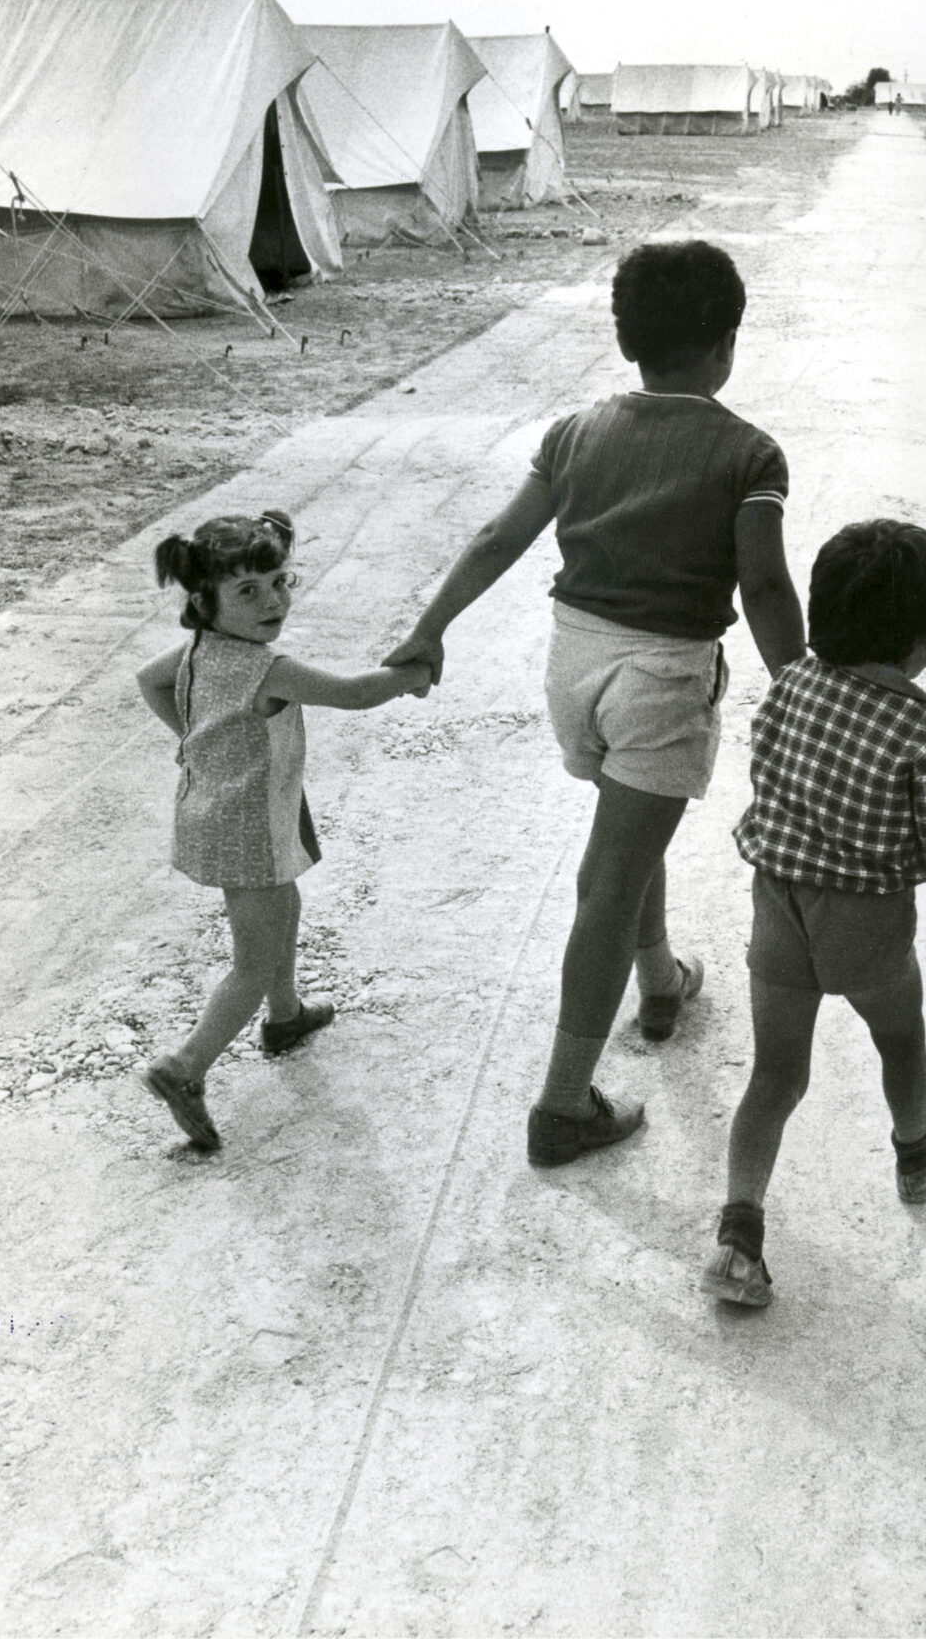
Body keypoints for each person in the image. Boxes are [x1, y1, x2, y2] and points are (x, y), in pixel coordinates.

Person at [385, 241, 806, 1167]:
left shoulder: (574, 433)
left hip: (572, 663)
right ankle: (563, 1103)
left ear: (628, 342)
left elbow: (501, 536)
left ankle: (660, 982)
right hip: (661, 675)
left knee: (627, 833)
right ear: (725, 344)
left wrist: (431, 628)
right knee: (607, 884)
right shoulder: (747, 453)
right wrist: (801, 684)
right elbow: (766, 588)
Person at [702, 520, 926, 1309]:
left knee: (774, 1076)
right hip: (865, 918)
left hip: (777, 903)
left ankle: (739, 1235)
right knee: (898, 1039)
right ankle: (917, 1152)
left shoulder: (793, 685)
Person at [135, 509, 431, 1151]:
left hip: (215, 815)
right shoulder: (263, 667)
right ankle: (184, 1068)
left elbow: (148, 679)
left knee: (279, 910)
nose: (273, 601)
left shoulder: (199, 651)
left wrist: (190, 736)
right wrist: (412, 674)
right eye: (248, 591)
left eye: (279, 582)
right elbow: (353, 693)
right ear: (204, 601)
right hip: (249, 830)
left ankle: (286, 1015)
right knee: (254, 957)